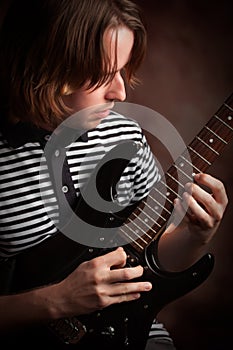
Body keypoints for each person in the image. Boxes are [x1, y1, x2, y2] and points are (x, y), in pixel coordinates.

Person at [0, 0, 228, 349]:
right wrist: (56, 300)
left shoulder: (124, 136)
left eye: (122, 71)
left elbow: (146, 261)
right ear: (43, 66)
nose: (120, 92)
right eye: (103, 75)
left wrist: (194, 235)